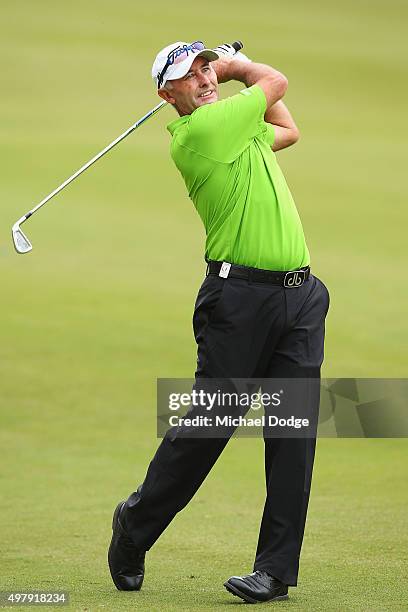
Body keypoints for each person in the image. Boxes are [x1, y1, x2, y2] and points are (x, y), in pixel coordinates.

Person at [108, 40, 330, 604]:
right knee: (208, 431)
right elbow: (275, 83)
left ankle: (275, 571)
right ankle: (134, 526)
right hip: (238, 302)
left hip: (300, 298)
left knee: (292, 437)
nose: (205, 77)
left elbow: (287, 130)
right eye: (191, 74)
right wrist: (235, 68)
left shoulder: (234, 128)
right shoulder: (203, 134)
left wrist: (227, 81)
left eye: (207, 66)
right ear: (168, 94)